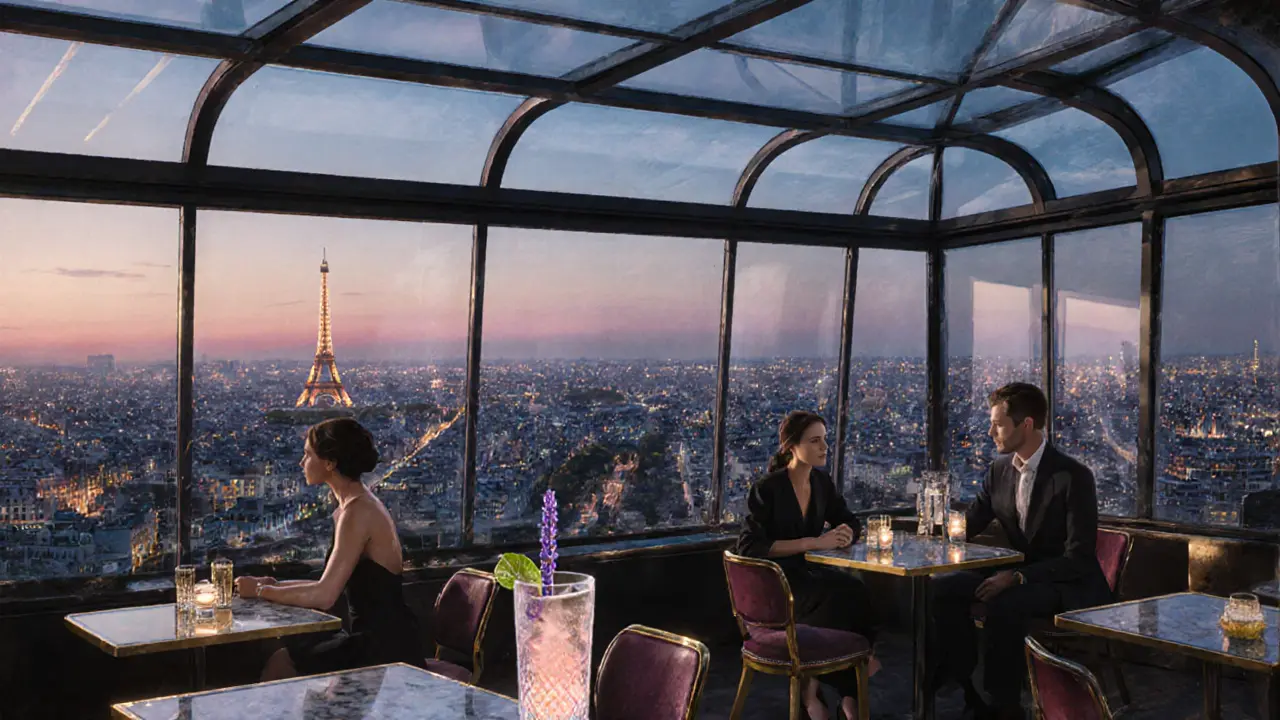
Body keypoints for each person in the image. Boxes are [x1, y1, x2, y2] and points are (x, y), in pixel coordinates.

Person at [931, 383, 1111, 720]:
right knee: (945, 589)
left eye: (998, 424)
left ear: (1026, 424)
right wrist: (932, 526)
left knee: (1004, 604)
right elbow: (969, 525)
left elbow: (1079, 558)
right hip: (1020, 573)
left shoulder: (1074, 477)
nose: (990, 432)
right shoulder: (999, 470)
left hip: (1066, 583)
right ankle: (965, 681)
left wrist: (1017, 577)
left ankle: (1005, 706)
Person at [235, 417, 423, 680]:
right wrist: (274, 585)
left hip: (381, 648)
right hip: (382, 638)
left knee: (282, 661)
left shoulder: (356, 513)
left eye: (308, 454)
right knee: (283, 658)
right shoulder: (354, 506)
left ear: (330, 463)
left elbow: (324, 595)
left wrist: (259, 591)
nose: (302, 463)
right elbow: (330, 582)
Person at [735, 410, 880, 720]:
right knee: (839, 598)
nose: (824, 447)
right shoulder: (768, 488)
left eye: (825, 440)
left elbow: (850, 520)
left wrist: (844, 534)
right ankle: (844, 690)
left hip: (807, 576)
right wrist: (815, 542)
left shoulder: (821, 482)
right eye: (815, 441)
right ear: (791, 446)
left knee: (854, 590)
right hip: (777, 588)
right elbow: (750, 547)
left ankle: (820, 693)